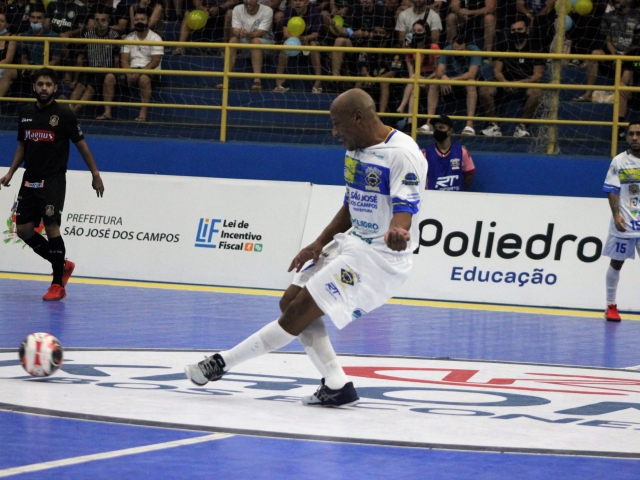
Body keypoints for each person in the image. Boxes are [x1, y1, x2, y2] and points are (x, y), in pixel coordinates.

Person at [184, 88, 428, 408]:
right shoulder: (355, 149)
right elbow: (351, 205)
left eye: (338, 124)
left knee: (299, 313)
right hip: (353, 242)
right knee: (289, 301)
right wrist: (317, 244)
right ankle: (337, 385)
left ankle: (220, 364)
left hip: (378, 257)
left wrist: (398, 230)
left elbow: (405, 208)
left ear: (359, 117)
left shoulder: (402, 154)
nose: (335, 132)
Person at [0, 68, 104, 301]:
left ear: (55, 88)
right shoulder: (25, 113)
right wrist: (10, 173)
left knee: (51, 227)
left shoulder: (64, 114)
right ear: (34, 87)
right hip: (30, 179)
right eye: (40, 84)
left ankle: (57, 284)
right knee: (24, 231)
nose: (44, 88)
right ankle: (63, 264)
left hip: (53, 180)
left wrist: (95, 174)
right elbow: (23, 147)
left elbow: (82, 145)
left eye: (48, 84)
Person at [478, 15, 545, 138]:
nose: (516, 33)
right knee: (483, 89)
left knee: (538, 91)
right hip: (504, 84)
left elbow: (537, 76)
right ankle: (493, 125)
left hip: (525, 85)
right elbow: (496, 71)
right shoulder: (503, 46)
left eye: (520, 30)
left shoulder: (536, 47)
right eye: (513, 30)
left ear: (527, 30)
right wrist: (505, 82)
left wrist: (518, 84)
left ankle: (522, 126)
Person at [601, 121, 640, 322]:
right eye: (631, 134)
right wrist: (616, 215)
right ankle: (610, 305)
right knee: (616, 263)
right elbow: (612, 189)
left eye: (638, 134)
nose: (634, 137)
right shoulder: (619, 161)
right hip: (624, 223)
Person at [422, 33, 480, 135]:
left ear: (466, 47)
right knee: (434, 82)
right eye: (455, 49)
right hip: (449, 81)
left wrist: (452, 80)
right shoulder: (448, 49)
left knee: (471, 83)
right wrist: (444, 77)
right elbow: (439, 70)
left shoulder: (474, 50)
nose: (457, 52)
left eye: (461, 50)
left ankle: (469, 125)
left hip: (464, 81)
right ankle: (429, 123)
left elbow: (471, 74)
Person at [69, 6, 120, 119]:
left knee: (90, 88)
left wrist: (115, 75)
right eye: (97, 20)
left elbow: (116, 59)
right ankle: (67, 109)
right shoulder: (87, 35)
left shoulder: (115, 36)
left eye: (103, 20)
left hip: (105, 70)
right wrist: (75, 80)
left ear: (108, 21)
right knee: (79, 86)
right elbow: (80, 58)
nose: (99, 23)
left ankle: (71, 113)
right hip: (90, 69)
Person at [217, 0, 273, 90]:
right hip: (246, 42)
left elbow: (260, 33)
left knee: (255, 41)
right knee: (233, 40)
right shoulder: (237, 9)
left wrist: (246, 34)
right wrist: (239, 33)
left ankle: (257, 81)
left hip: (266, 45)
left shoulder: (267, 10)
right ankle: (225, 79)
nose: (248, 2)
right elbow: (235, 30)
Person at [121, 8, 164, 122]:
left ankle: (143, 113)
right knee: (109, 77)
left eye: (142, 19)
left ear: (148, 20)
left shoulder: (156, 38)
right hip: (132, 70)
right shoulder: (128, 38)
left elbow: (155, 62)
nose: (139, 22)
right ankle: (107, 112)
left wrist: (139, 72)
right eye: (136, 19)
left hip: (150, 72)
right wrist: (129, 73)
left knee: (144, 79)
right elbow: (124, 60)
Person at [395, 20, 439, 131]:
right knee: (414, 87)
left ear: (426, 32)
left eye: (420, 30)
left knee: (415, 79)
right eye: (414, 31)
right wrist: (418, 81)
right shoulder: (410, 48)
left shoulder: (433, 47)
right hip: (417, 77)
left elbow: (438, 70)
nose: (417, 33)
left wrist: (426, 80)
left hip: (431, 77)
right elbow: (411, 72)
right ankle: (410, 123)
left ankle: (401, 107)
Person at [273, 0, 323, 93]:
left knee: (313, 45)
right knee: (285, 46)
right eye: (295, 0)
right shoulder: (289, 12)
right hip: (295, 41)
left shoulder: (315, 13)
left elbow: (316, 34)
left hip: (309, 42)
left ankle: (318, 81)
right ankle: (278, 82)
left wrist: (305, 38)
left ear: (307, 2)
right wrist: (298, 39)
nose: (297, 3)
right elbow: (286, 33)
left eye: (301, 0)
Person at [424, 114, 475, 190]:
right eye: (435, 128)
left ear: (450, 131)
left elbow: (469, 176)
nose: (437, 130)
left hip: (456, 198)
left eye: (441, 127)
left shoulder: (461, 151)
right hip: (433, 198)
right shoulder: (426, 153)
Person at [44, 0, 88, 85]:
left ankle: (66, 76)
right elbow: (46, 24)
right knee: (58, 45)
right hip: (52, 39)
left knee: (62, 48)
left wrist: (69, 33)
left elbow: (82, 29)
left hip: (71, 41)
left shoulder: (81, 7)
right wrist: (53, 37)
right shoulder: (53, 4)